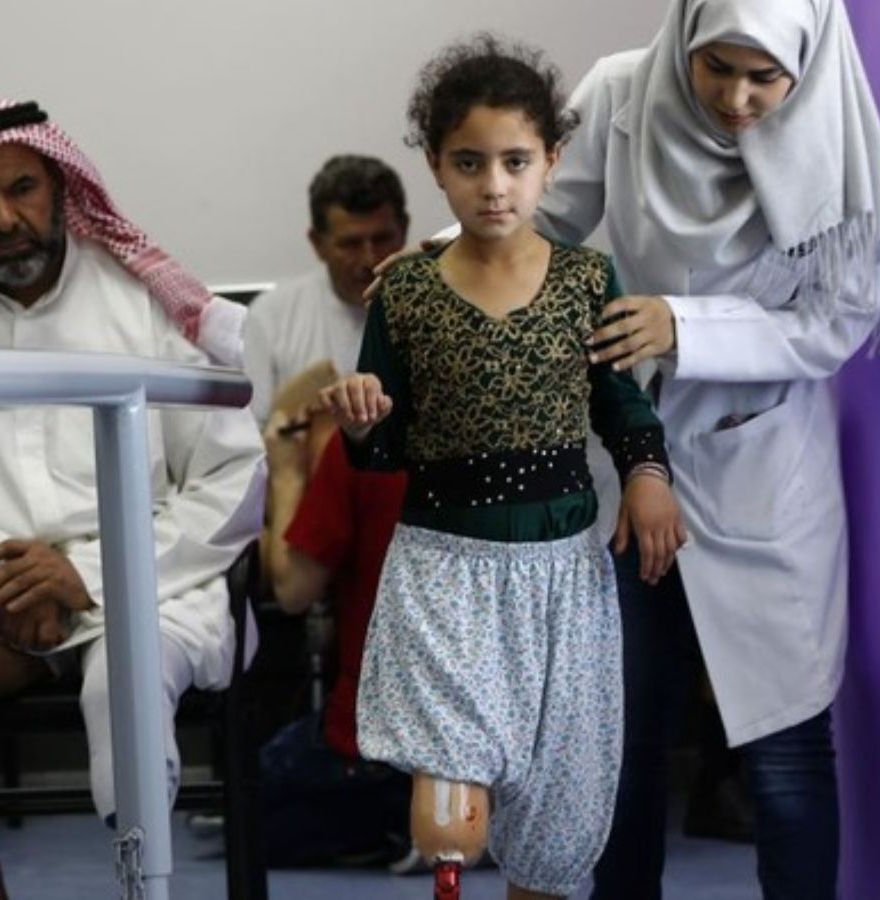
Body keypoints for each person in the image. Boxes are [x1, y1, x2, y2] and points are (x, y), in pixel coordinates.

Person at [0, 98, 264, 900]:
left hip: (150, 580)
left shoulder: (141, 300)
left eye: (23, 189)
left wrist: (89, 576)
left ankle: (149, 889)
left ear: (61, 187)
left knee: (124, 677)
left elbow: (229, 479)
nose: (6, 219)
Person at [528, 2, 880, 896]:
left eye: (764, 76)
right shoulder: (620, 93)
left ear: (803, 67)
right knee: (624, 740)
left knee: (787, 750)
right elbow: (534, 223)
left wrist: (677, 324)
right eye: (715, 66)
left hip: (767, 468)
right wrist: (442, 259)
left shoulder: (836, 130)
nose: (736, 97)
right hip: (635, 464)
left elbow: (832, 325)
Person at [320, 35, 685, 900]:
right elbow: (387, 446)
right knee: (450, 825)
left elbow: (622, 406)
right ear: (436, 169)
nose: (493, 185)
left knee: (556, 833)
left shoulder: (586, 279)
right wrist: (363, 421)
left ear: (552, 161)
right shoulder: (403, 292)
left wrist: (647, 475)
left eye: (516, 161)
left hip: (564, 580)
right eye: (469, 163)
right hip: (444, 576)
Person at [254, 384, 412, 869]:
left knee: (251, 797)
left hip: (379, 743)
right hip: (497, 736)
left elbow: (292, 590)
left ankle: (392, 821)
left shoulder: (357, 448)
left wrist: (285, 476)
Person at [242, 155, 408, 423]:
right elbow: (247, 437)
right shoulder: (270, 317)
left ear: (404, 229)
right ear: (317, 243)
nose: (369, 259)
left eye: (382, 238)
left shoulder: (438, 309)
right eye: (351, 244)